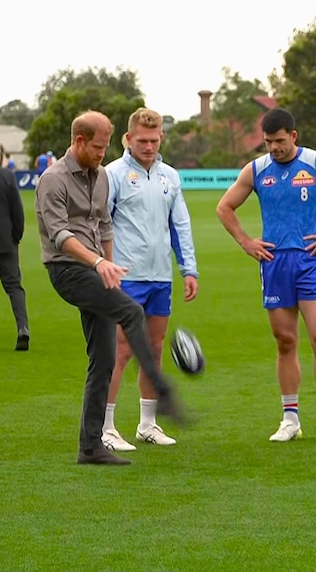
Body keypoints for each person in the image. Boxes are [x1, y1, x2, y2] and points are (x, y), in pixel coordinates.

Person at [35, 110, 184, 465]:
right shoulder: (52, 180)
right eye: (98, 148)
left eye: (105, 148)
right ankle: (161, 390)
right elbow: (59, 235)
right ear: (79, 141)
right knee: (131, 310)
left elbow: (104, 226)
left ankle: (90, 446)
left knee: (102, 358)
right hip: (67, 269)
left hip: (95, 269)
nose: (103, 155)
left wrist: (109, 265)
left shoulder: (100, 176)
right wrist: (98, 263)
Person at [216, 108, 316, 444]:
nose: (274, 148)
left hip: (311, 260)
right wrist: (245, 241)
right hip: (274, 263)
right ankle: (290, 419)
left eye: (280, 141)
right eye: (269, 142)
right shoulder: (256, 170)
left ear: (294, 136)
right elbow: (224, 207)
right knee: (285, 341)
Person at [100, 107, 199, 452]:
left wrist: (189, 269)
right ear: (128, 139)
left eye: (154, 140)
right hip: (124, 278)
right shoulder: (112, 174)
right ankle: (107, 426)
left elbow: (180, 224)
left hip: (161, 277)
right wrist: (106, 266)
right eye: (142, 140)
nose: (148, 146)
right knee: (121, 350)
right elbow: (102, 224)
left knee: (154, 350)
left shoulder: (170, 176)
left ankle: (147, 424)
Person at [0, 140, 30, 350]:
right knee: (14, 287)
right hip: (4, 241)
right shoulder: (7, 176)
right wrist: (15, 237)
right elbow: (17, 212)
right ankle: (22, 327)